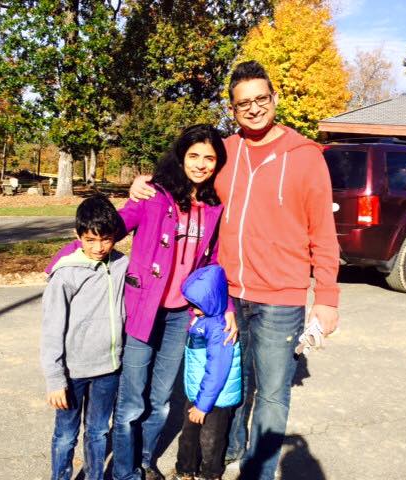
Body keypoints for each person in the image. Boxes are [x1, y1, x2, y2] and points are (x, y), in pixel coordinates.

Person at [129, 61, 340, 480]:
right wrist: (145, 182)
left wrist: (327, 299)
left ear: (274, 98)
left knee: (272, 394)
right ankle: (226, 453)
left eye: (262, 99)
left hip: (281, 297)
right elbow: (186, 176)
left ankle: (256, 471)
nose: (254, 108)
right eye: (244, 103)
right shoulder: (225, 153)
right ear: (233, 109)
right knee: (232, 385)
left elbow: (323, 230)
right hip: (227, 297)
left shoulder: (305, 157)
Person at [46, 125, 236, 480]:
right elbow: (108, 230)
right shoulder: (153, 194)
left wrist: (224, 307)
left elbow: (212, 263)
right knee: (132, 402)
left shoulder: (214, 206)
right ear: (180, 157)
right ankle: (124, 471)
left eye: (209, 158)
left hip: (180, 316)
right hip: (142, 312)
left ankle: (145, 462)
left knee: (160, 400)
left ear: (217, 163)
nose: (200, 164)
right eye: (193, 155)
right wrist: (64, 258)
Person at [40, 194, 128, 480]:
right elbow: (52, 330)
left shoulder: (121, 265)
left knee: (98, 431)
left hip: (108, 369)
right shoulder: (66, 274)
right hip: (73, 372)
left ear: (115, 236)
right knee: (66, 434)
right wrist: (55, 379)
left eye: (106, 239)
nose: (98, 247)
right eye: (90, 240)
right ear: (77, 236)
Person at [172, 265, 241, 480]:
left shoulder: (220, 328)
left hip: (216, 398)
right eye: (191, 304)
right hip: (198, 391)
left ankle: (210, 474)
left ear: (212, 301)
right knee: (189, 435)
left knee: (211, 440)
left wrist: (203, 406)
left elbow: (217, 370)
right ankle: (185, 470)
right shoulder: (203, 317)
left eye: (196, 305)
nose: (192, 309)